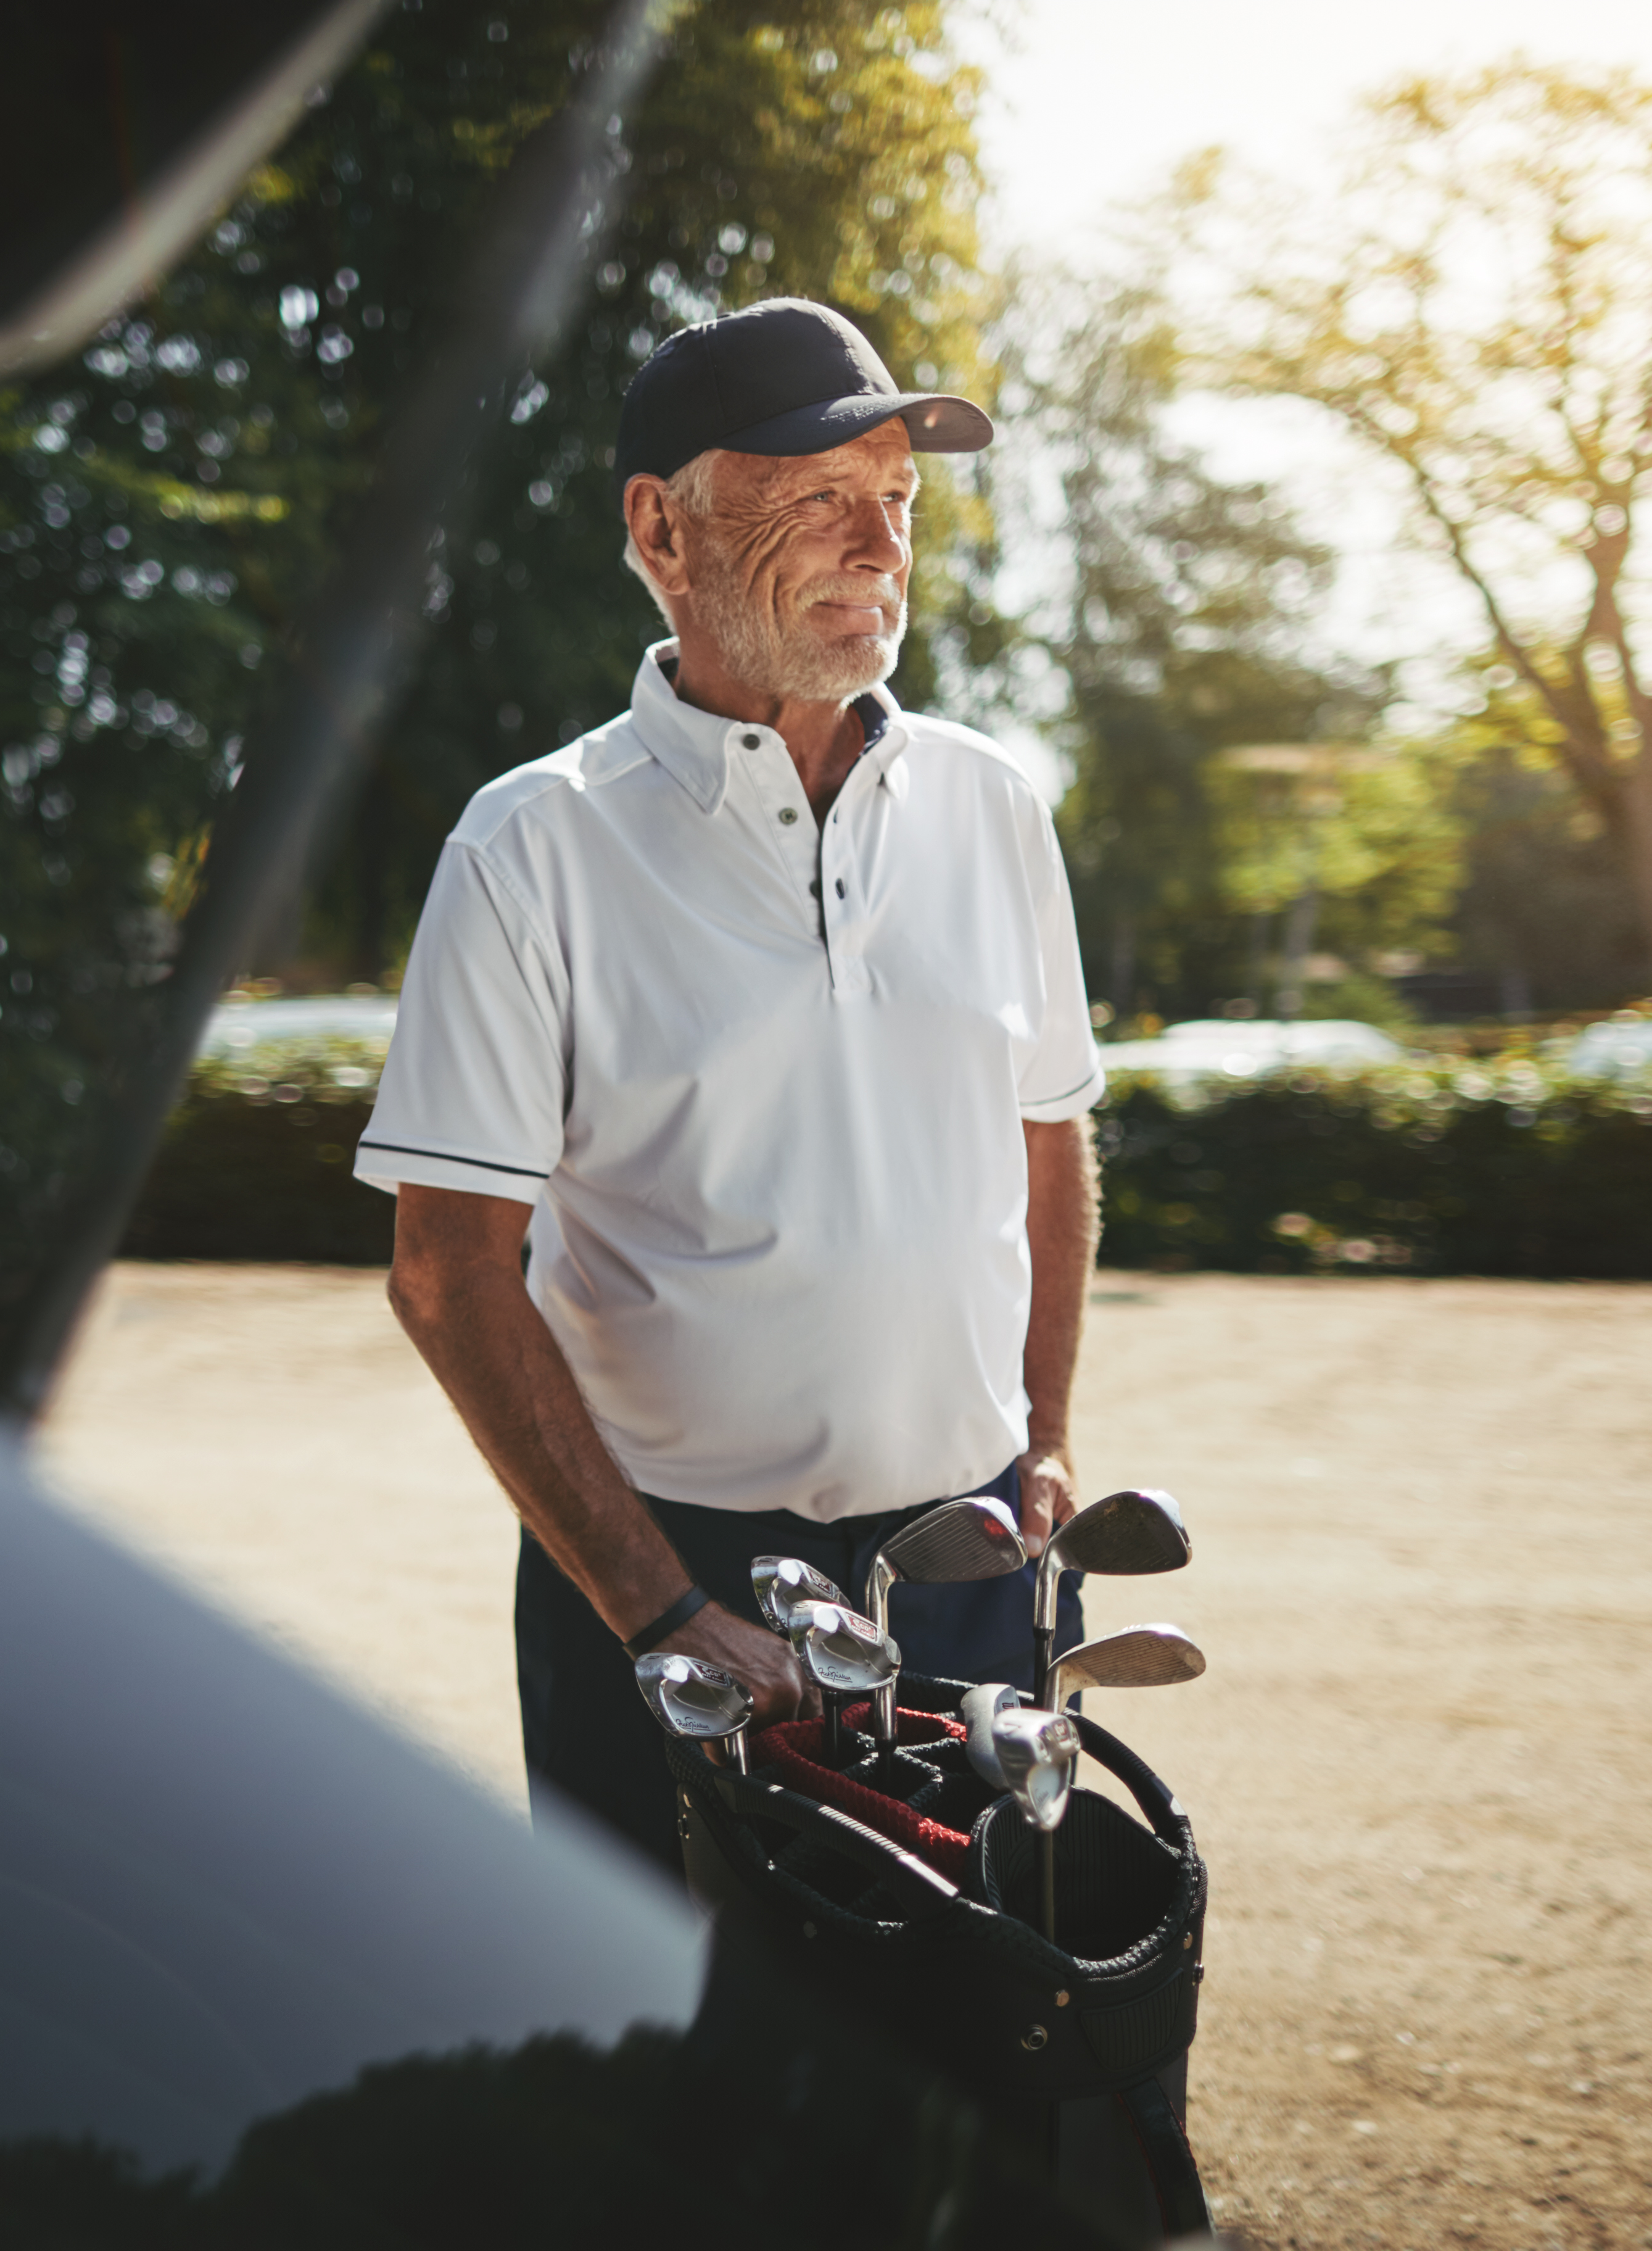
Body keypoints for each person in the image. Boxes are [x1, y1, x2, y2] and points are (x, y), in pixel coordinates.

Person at [357, 298, 1107, 1867]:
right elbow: (447, 1276)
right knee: (681, 2042)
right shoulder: (529, 845)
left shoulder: (993, 808)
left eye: (897, 501)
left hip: (967, 1561)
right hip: (663, 1565)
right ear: (663, 531)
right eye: (821, 496)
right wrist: (658, 1605)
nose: (881, 545)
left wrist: (1041, 1436)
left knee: (971, 2039)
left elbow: (1048, 1143)